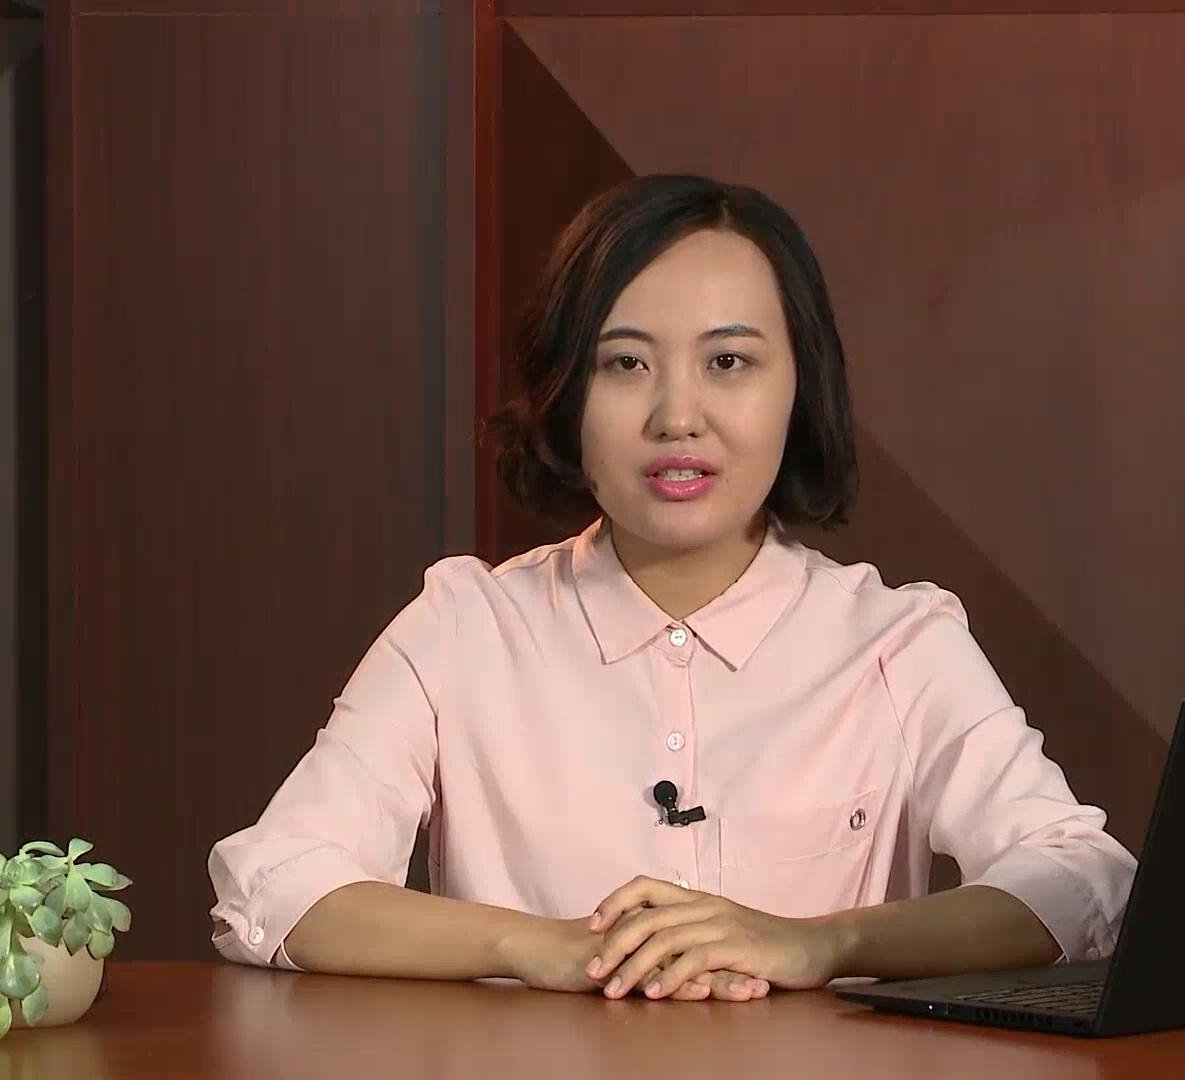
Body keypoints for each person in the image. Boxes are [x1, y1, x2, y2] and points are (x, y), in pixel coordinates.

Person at [208, 174, 1136, 1004]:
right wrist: (542, 947)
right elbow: (276, 882)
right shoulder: (464, 628)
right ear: (568, 396)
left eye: (728, 362)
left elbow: (1082, 880)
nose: (677, 416)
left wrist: (822, 944)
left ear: (799, 387)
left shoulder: (899, 642)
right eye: (626, 364)